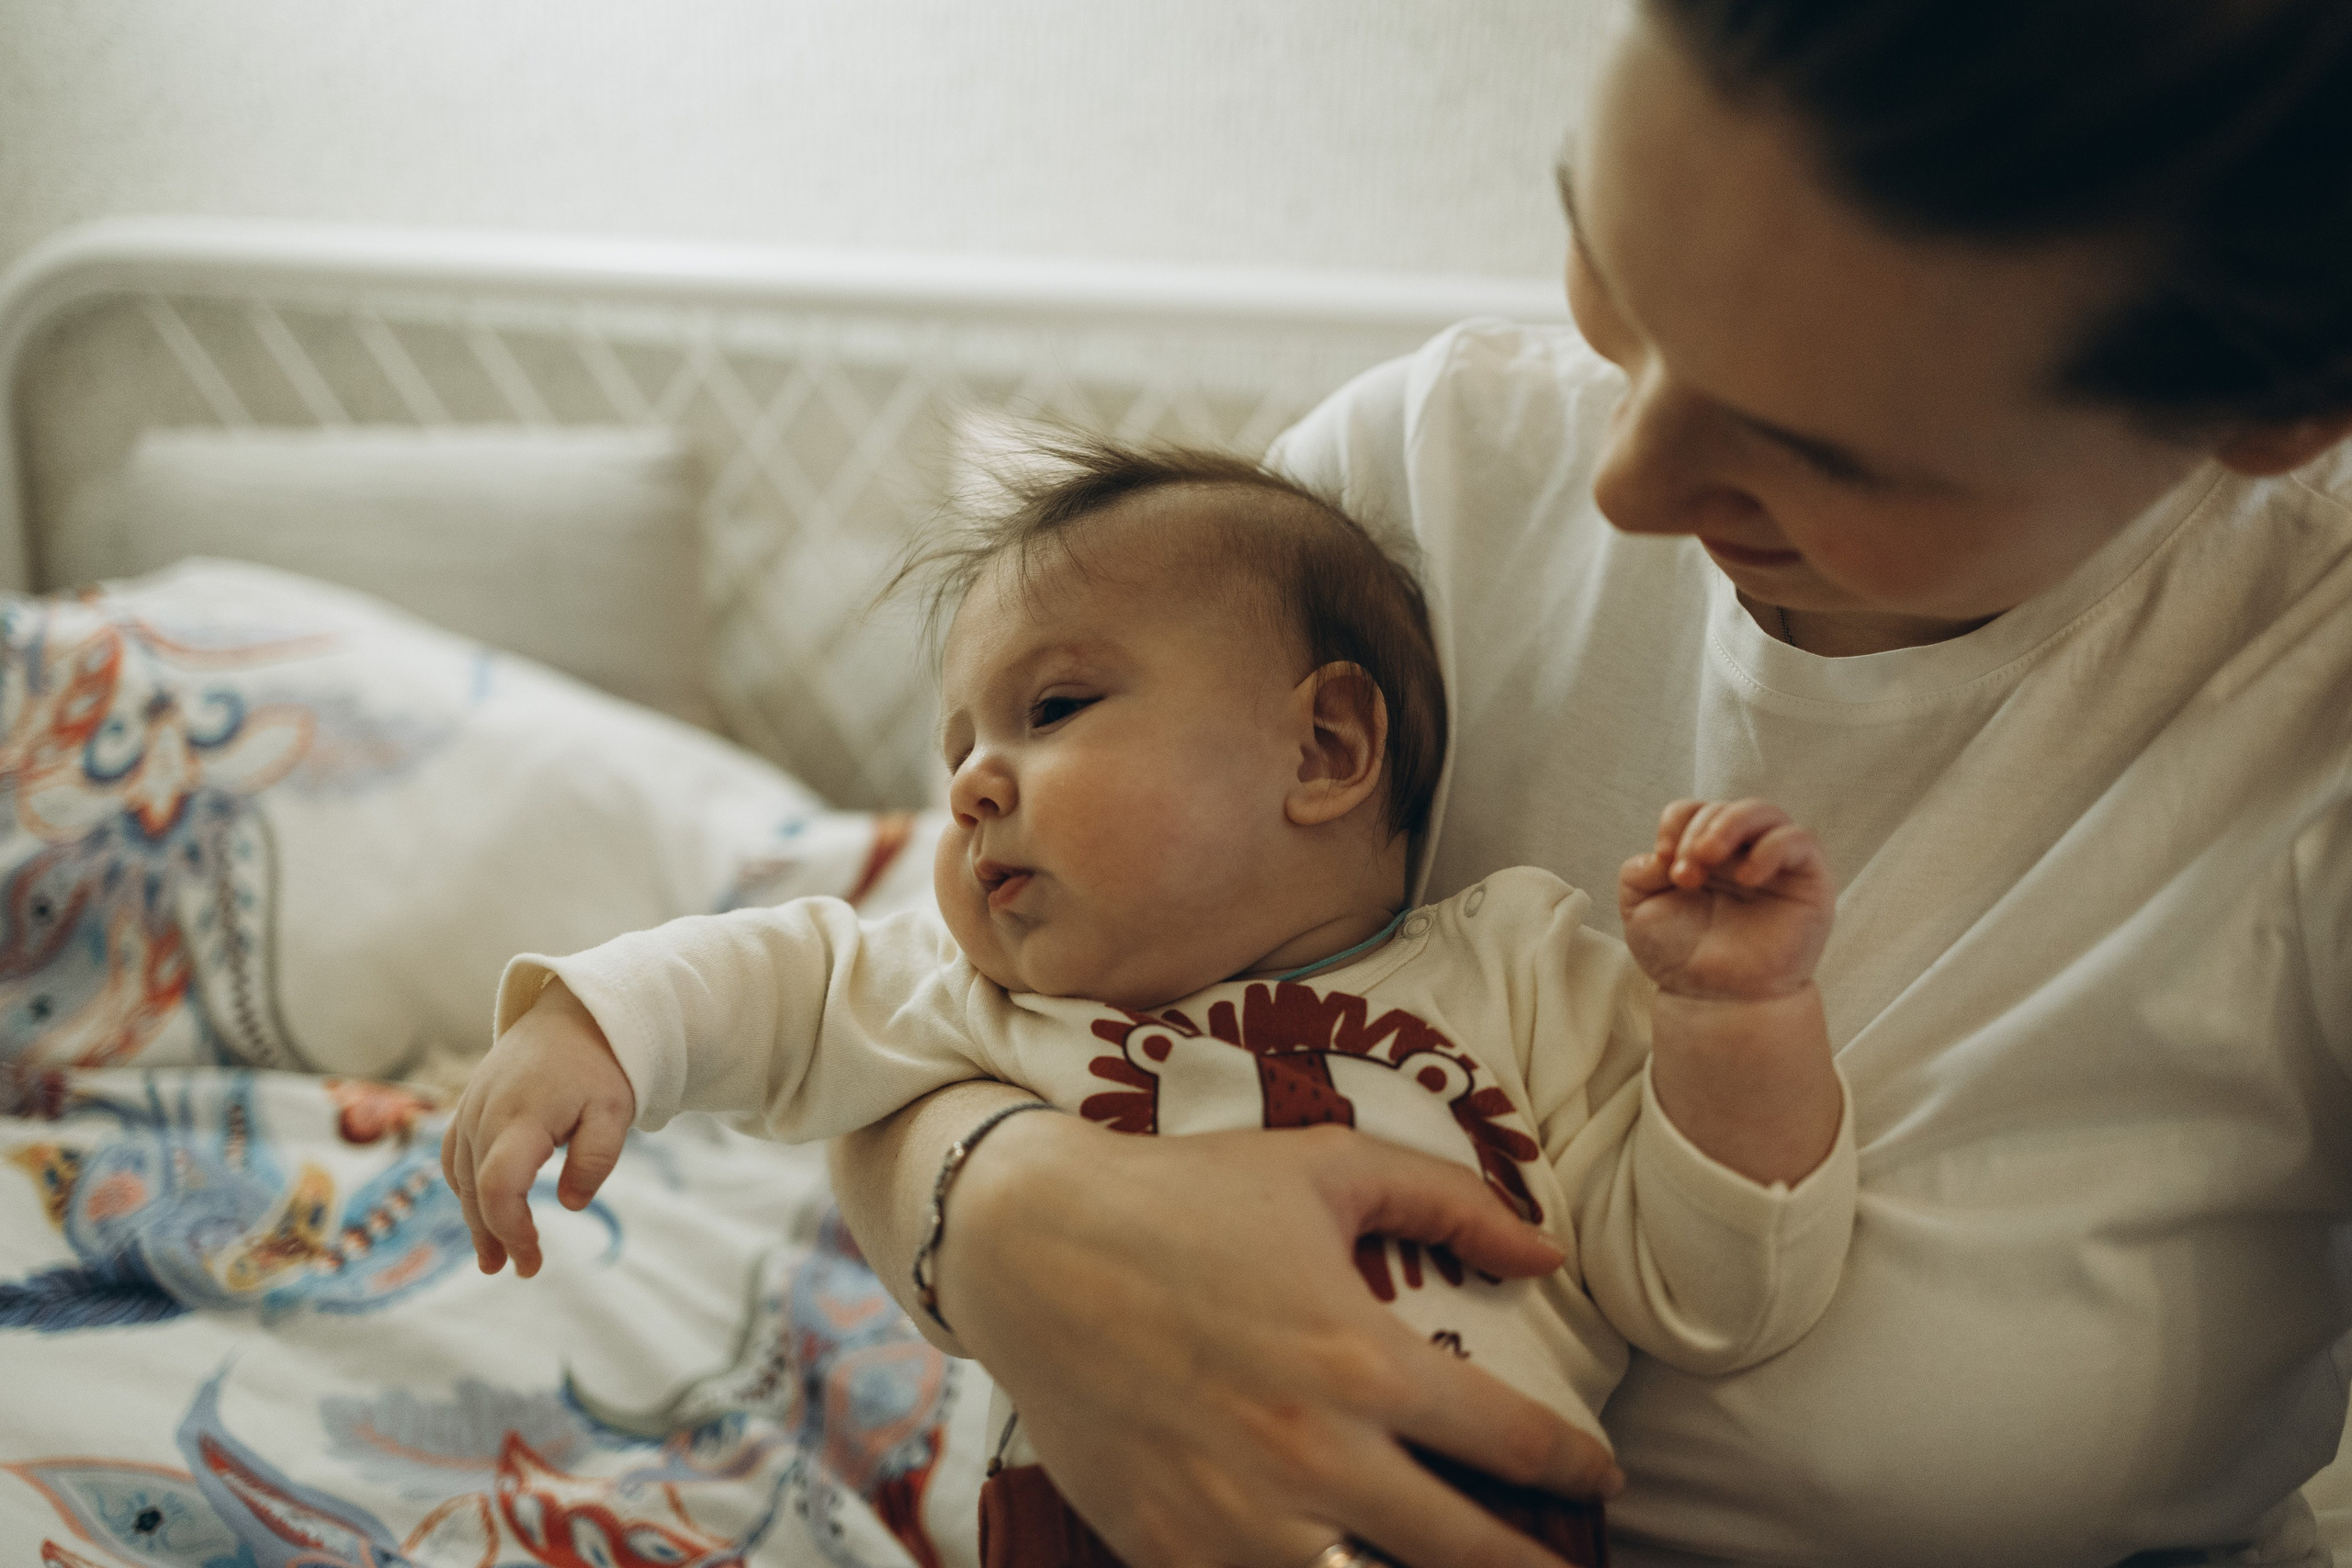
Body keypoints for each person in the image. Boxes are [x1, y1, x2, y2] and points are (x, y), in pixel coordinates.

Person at [820, 2, 2352, 1565]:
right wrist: (1007, 1219)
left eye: (1818, 445)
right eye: (1610, 272)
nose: (1626, 482)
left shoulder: (2308, 701)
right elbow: (910, 1023)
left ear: (2266, 417)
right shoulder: (1421, 473)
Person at [441, 442, 1858, 1566]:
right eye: (960, 748)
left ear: (1325, 747)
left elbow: (1710, 1292)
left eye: (1050, 712)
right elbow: (786, 975)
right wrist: (596, 1022)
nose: (973, 785)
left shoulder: (1522, 970)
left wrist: (1735, 1024)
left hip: (1486, 1515)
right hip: (1097, 1513)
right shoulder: (983, 1001)